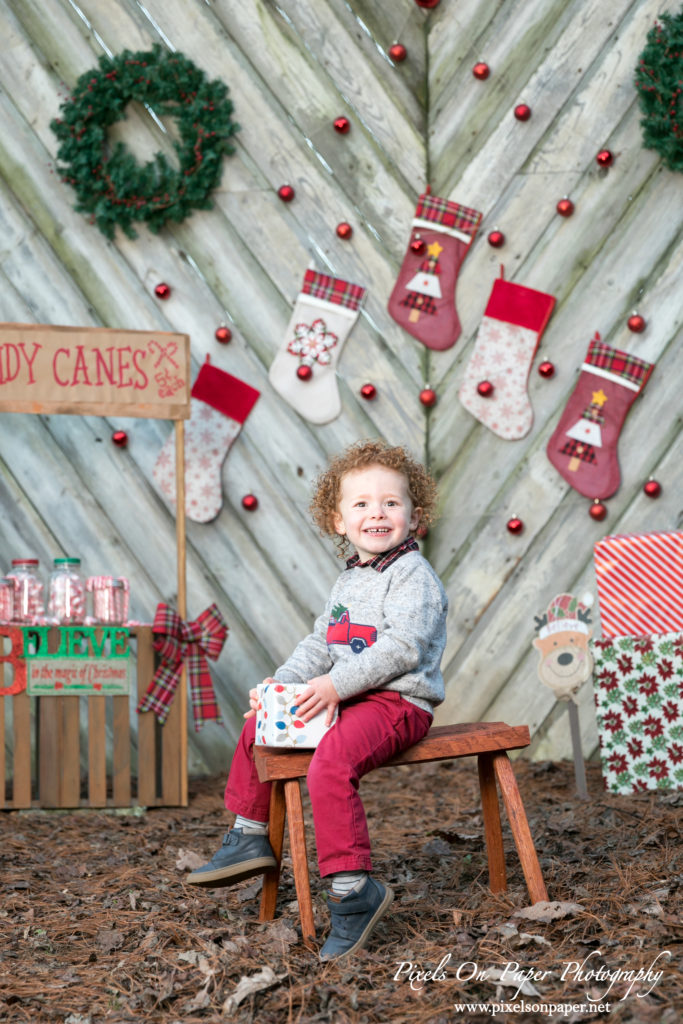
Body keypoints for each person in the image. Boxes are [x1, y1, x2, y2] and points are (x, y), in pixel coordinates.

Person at [187, 439, 448, 960]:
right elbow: (320, 645)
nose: (377, 512)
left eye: (391, 503)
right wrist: (280, 687)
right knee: (262, 721)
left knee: (328, 763)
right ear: (338, 520)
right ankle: (249, 835)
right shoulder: (349, 579)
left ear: (414, 516)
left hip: (397, 704)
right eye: (361, 504)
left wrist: (333, 687)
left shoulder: (413, 576)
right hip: (350, 697)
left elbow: (403, 648)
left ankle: (354, 892)